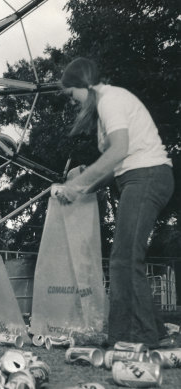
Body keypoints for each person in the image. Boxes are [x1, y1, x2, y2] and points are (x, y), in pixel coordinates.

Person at [56, 57, 174, 348]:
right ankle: (153, 331)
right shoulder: (104, 109)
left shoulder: (111, 100)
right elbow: (112, 168)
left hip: (147, 175)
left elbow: (119, 151)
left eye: (71, 95)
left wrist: (76, 184)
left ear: (83, 84)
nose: (72, 102)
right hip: (138, 177)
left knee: (123, 259)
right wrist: (83, 190)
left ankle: (134, 337)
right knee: (125, 256)